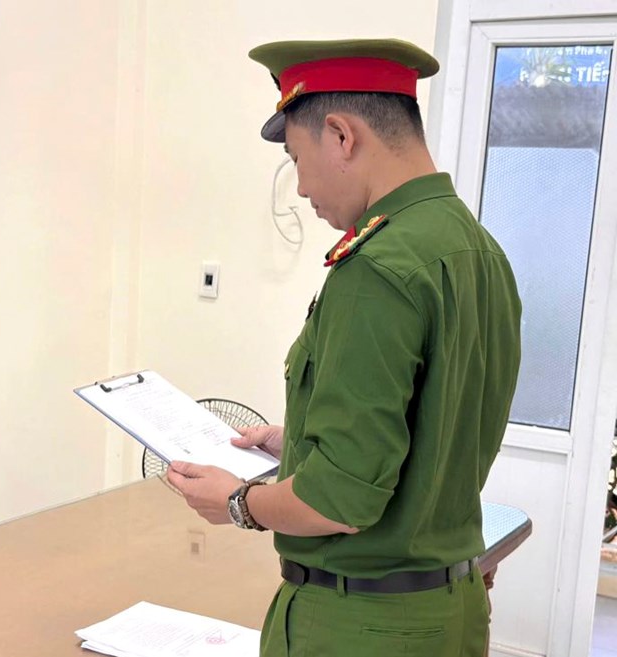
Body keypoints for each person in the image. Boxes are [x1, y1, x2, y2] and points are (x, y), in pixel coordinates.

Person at [166, 39, 522, 656]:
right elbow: (435, 433)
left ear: (340, 136)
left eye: (296, 159)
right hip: (450, 610)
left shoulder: (378, 267)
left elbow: (340, 499)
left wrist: (237, 502)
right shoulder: (479, 251)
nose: (302, 188)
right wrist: (299, 440)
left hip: (361, 624)